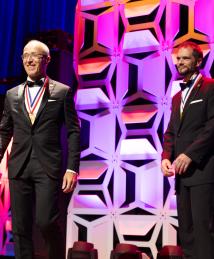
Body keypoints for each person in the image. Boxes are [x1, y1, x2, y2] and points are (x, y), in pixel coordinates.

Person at [0, 40, 80, 259]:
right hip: (19, 165)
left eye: (35, 55)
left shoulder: (62, 92)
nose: (29, 59)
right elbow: (4, 131)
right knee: (20, 227)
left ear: (47, 60)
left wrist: (72, 168)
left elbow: (74, 131)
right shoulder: (12, 95)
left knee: (46, 221)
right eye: (25, 55)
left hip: (48, 166)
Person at [161, 41, 214, 259]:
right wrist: (165, 157)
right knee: (187, 232)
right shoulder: (176, 97)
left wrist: (190, 154)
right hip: (182, 177)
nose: (180, 62)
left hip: (204, 171)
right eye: (178, 58)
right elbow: (172, 132)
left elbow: (213, 126)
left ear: (198, 61)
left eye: (185, 58)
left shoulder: (211, 87)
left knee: (204, 230)